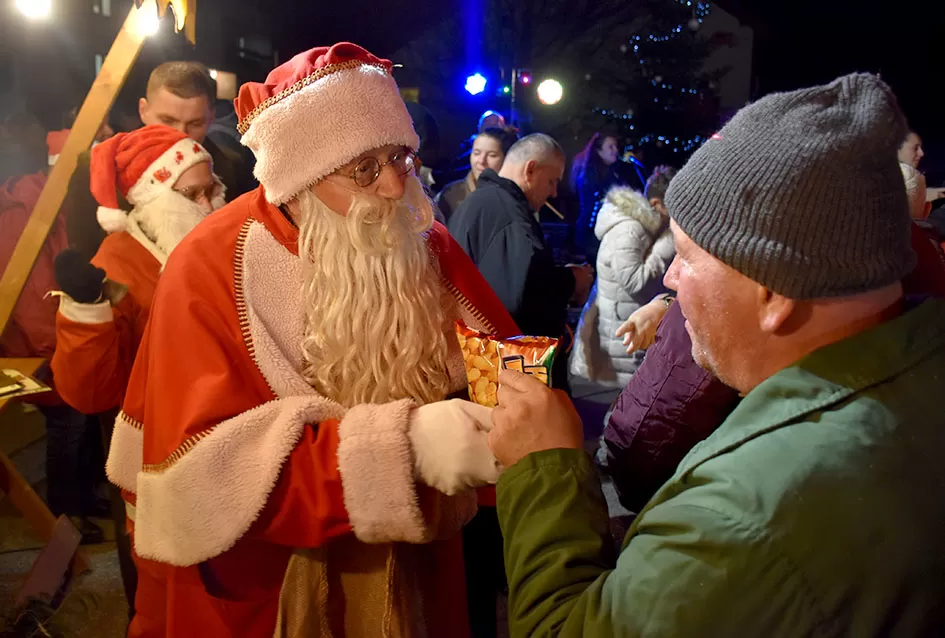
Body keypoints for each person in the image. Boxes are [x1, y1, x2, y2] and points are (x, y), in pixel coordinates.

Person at [488, 73, 945, 636]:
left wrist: (545, 468)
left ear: (774, 292)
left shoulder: (741, 515)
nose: (672, 279)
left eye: (687, 256)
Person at [104, 42, 517, 637]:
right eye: (363, 169)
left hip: (419, 573)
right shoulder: (210, 266)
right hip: (271, 588)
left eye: (400, 158)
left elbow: (503, 363)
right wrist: (407, 450)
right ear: (300, 178)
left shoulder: (422, 239)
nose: (394, 188)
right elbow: (202, 479)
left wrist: (517, 418)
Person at [51, 125, 223, 416]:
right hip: (163, 421)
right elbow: (88, 394)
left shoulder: (227, 244)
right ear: (153, 199)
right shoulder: (119, 262)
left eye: (211, 191)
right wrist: (87, 312)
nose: (206, 206)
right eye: (191, 194)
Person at [0, 111, 109, 543]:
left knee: (88, 414)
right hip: (34, 345)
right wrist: (61, 352)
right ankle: (63, 514)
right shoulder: (26, 213)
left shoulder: (68, 206)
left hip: (65, 334)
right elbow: (31, 298)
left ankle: (85, 495)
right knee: (68, 421)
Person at [62, 61, 252, 261]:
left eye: (195, 123)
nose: (180, 134)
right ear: (143, 110)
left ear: (211, 117)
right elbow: (84, 253)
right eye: (168, 121)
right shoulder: (95, 169)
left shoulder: (232, 167)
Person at [449, 133, 593, 340]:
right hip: (499, 353)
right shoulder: (507, 214)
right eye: (552, 181)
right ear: (530, 170)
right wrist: (572, 280)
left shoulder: (484, 201)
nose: (554, 192)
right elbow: (521, 295)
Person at [569, 166, 676, 387]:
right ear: (656, 203)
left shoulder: (641, 227)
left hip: (621, 345)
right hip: (614, 350)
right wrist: (667, 244)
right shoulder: (629, 229)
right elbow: (635, 282)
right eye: (673, 210)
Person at [570, 132, 646, 261]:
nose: (615, 150)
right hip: (591, 234)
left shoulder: (616, 171)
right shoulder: (590, 174)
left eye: (616, 146)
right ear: (599, 151)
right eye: (610, 147)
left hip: (608, 231)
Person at [436, 127, 517, 223]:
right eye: (476, 153)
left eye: (492, 155)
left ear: (506, 159)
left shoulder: (514, 197)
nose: (481, 161)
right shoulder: (451, 195)